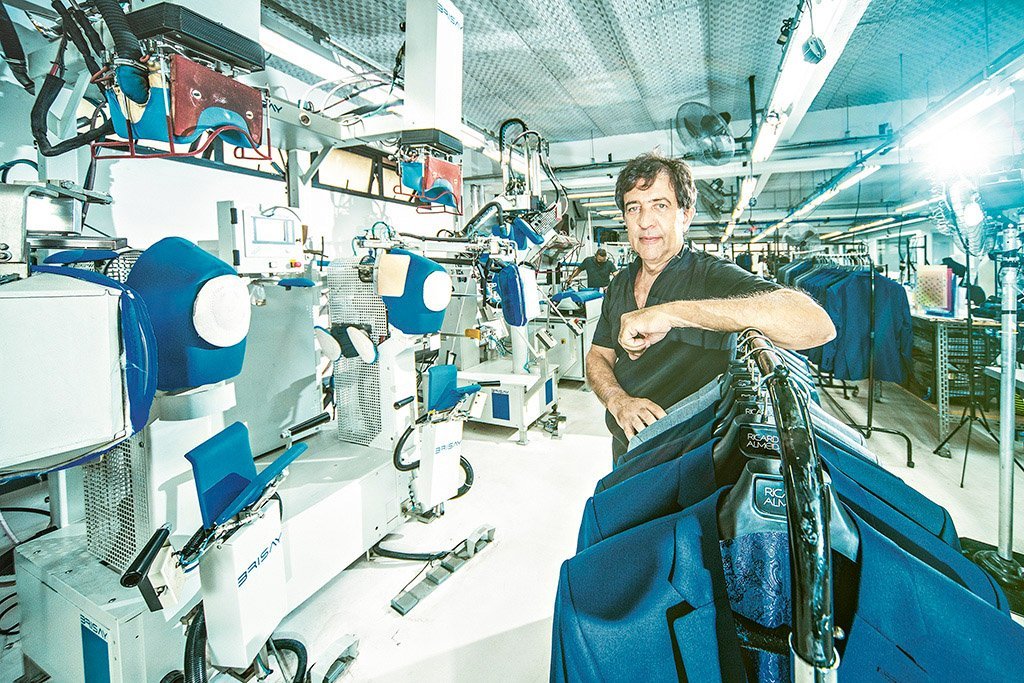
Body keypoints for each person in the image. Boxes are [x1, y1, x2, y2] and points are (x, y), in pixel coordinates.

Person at [586, 153, 836, 462]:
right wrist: (618, 401)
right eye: (633, 207)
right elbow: (598, 356)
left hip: (689, 461)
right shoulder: (620, 284)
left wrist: (671, 314)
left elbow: (816, 324)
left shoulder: (710, 276)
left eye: (660, 205)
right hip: (626, 449)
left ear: (686, 215)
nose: (645, 221)